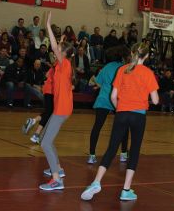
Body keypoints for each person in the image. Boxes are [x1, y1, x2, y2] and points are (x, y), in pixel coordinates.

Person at [81, 43, 159, 201]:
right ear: (147, 56)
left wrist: (120, 110)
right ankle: (126, 189)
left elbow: (113, 96)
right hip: (138, 116)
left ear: (131, 53)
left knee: (111, 148)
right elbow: (156, 100)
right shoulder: (148, 73)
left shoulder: (122, 70)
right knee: (134, 150)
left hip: (122, 113)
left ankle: (96, 182)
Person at [39, 12, 74, 191]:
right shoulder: (62, 65)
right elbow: (56, 47)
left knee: (44, 142)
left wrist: (48, 26)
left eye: (60, 47)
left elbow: (54, 47)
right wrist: (59, 40)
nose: (56, 48)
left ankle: (56, 180)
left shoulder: (65, 64)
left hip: (62, 109)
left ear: (64, 52)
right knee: (46, 139)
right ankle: (58, 169)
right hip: (61, 108)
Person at [87, 45, 131, 165]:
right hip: (118, 100)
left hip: (103, 99)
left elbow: (98, 82)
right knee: (124, 127)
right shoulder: (124, 68)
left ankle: (91, 155)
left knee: (97, 127)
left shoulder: (106, 67)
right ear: (123, 56)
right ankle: (123, 154)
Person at [22, 63, 55, 143]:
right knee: (49, 113)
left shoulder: (55, 66)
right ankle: (35, 129)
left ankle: (36, 133)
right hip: (51, 91)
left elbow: (47, 75)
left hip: (48, 90)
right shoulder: (59, 66)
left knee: (48, 112)